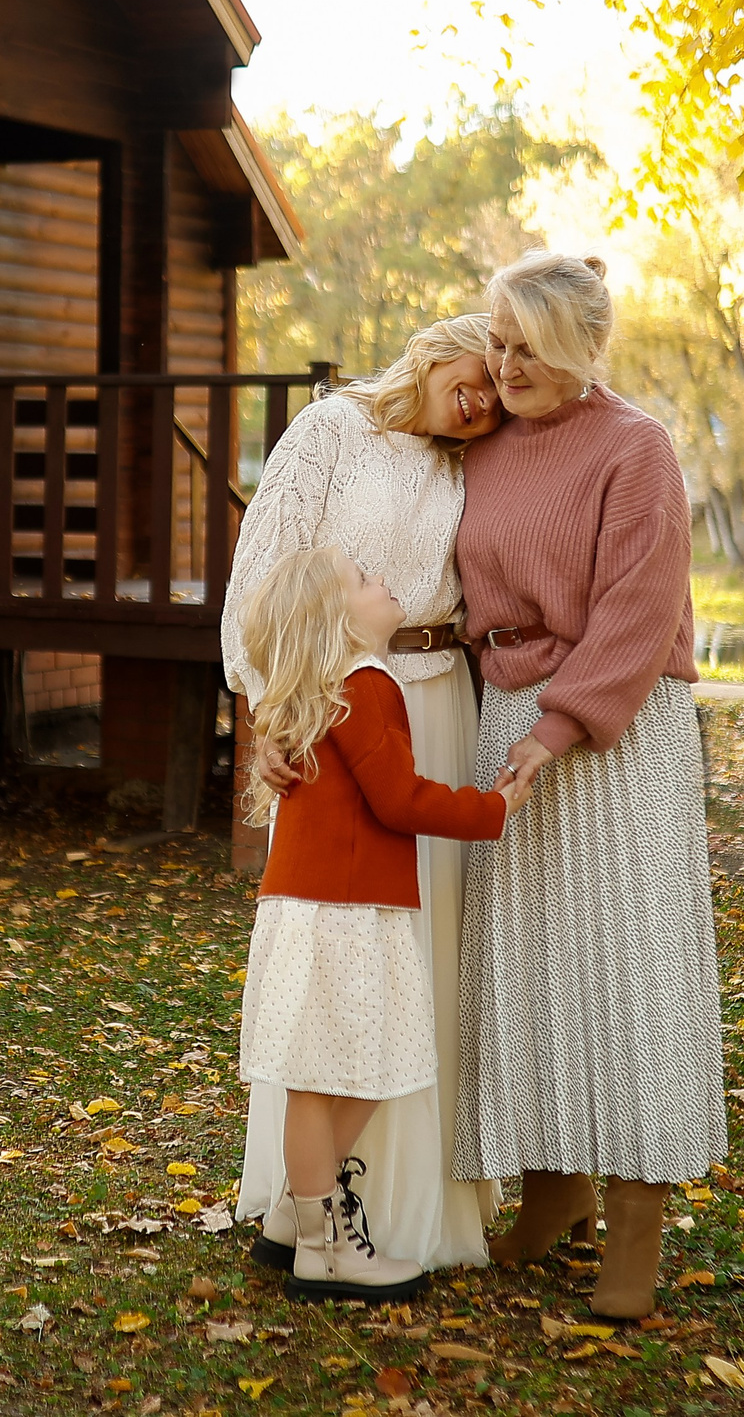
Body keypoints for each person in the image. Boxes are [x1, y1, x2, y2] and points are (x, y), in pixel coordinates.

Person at [451, 250, 727, 1320]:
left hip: (614, 736)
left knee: (628, 972)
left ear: (579, 346)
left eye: (525, 343)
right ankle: (550, 1189)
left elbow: (640, 606)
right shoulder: (484, 446)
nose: (503, 361)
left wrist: (560, 724)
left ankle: (636, 1222)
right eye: (496, 338)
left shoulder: (635, 447)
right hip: (507, 717)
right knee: (523, 967)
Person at [221, 315, 505, 1272]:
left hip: (438, 706)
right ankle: (310, 1212)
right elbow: (264, 579)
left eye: (501, 392)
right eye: (477, 377)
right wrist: (268, 716)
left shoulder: (483, 457)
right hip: (334, 702)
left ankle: (405, 1209)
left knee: (417, 963)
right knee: (340, 971)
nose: (485, 401)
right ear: (440, 348)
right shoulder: (333, 430)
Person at [233, 545, 532, 1301]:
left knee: (354, 1074)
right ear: (336, 620)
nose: (385, 583)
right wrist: (491, 808)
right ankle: (325, 1247)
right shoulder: (363, 686)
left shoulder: (319, 691)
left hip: (330, 907)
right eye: (364, 582)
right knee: (323, 1079)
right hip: (342, 913)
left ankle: (298, 1218)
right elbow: (398, 799)